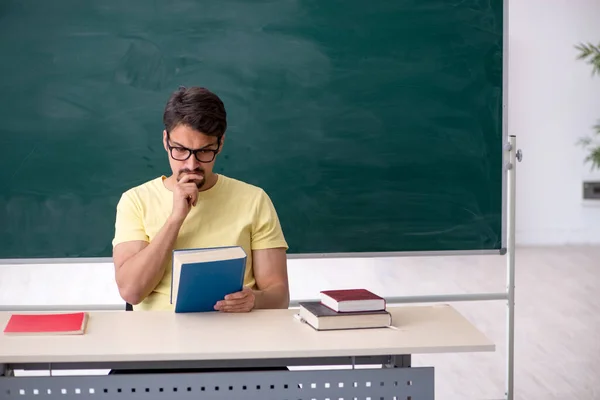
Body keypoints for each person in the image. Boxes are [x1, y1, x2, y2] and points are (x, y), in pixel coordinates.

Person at [111, 86, 290, 313]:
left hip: (234, 337)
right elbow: (131, 291)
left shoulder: (255, 200)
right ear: (166, 141)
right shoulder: (135, 200)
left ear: (220, 144)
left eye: (204, 151)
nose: (191, 164)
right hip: (159, 339)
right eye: (180, 150)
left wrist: (255, 300)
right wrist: (176, 218)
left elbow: (279, 296)